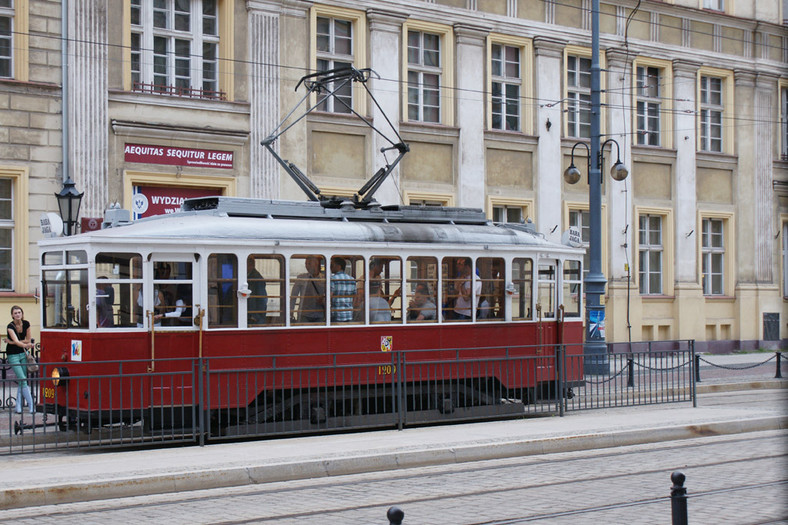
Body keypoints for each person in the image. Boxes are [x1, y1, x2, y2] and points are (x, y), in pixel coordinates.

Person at [3, 305, 35, 418]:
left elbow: (28, 338)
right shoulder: (10, 326)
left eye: (19, 312)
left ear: (22, 313)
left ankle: (18, 406)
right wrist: (24, 344)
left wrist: (11, 342)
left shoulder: (26, 323)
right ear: (12, 315)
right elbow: (18, 342)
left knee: (23, 380)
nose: (17, 314)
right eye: (15, 313)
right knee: (23, 379)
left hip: (23, 354)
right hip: (13, 355)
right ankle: (31, 405)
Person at [290, 256, 325, 323]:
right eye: (306, 264)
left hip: (319, 314)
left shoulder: (323, 279)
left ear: (316, 264)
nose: (306, 266)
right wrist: (291, 310)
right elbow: (294, 295)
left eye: (309, 264)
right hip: (304, 314)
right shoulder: (301, 278)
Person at [330, 257, 356, 322]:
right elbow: (355, 297)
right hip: (349, 314)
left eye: (332, 265)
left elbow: (329, 296)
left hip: (336, 315)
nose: (330, 267)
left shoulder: (332, 279)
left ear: (339, 266)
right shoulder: (352, 279)